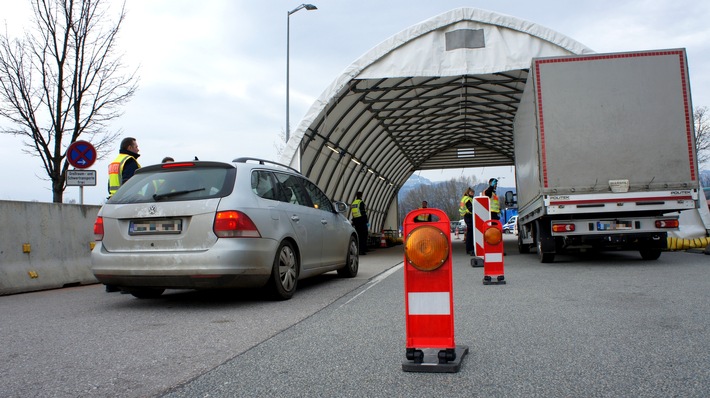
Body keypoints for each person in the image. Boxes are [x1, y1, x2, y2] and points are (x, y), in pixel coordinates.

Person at [459, 187, 475, 255]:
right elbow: (471, 208)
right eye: (472, 192)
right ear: (468, 192)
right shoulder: (468, 199)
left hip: (466, 216)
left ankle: (469, 249)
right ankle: (470, 249)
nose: (473, 194)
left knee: (469, 233)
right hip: (469, 216)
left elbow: (462, 208)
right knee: (471, 233)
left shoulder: (463, 198)